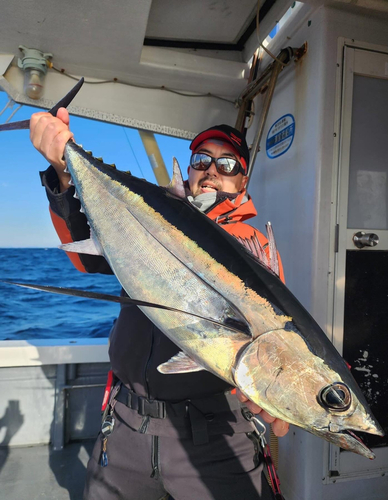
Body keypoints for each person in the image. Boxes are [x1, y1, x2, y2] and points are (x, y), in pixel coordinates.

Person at [30, 108, 289, 500]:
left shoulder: (253, 246)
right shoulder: (149, 216)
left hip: (214, 436)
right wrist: (63, 172)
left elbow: (266, 343)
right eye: (201, 160)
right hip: (125, 428)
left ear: (243, 179)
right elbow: (87, 258)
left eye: (226, 163)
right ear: (189, 169)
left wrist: (275, 396)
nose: (211, 169)